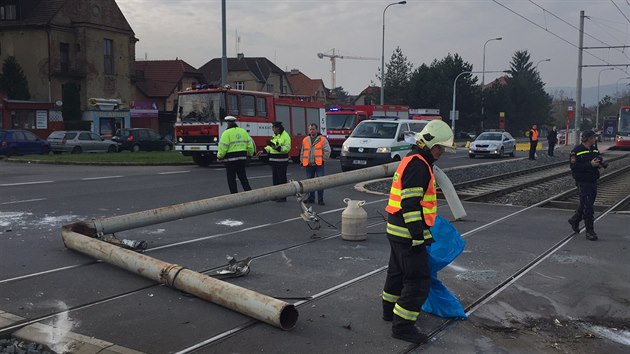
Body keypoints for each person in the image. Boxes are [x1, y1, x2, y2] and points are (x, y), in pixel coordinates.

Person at [381, 120, 455, 344]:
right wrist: (417, 236)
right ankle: (402, 326)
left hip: (396, 228)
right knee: (418, 280)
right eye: (440, 148)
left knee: (396, 273)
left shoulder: (413, 159)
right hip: (407, 232)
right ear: (431, 144)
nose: (441, 153)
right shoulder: (418, 165)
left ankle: (389, 312)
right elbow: (411, 204)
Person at [568, 130, 603, 241]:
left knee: (586, 203)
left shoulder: (594, 149)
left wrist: (599, 162)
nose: (595, 139)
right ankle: (589, 231)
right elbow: (574, 167)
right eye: (593, 137)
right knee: (588, 207)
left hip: (593, 179)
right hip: (583, 181)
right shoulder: (576, 151)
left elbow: (598, 157)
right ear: (588, 139)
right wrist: (589, 164)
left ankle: (575, 219)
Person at [216, 116, 254, 194]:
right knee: (243, 177)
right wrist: (250, 155)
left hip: (231, 160)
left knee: (231, 179)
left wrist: (219, 157)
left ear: (228, 123)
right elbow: (250, 145)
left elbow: (223, 147)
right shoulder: (243, 131)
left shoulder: (226, 133)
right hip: (242, 158)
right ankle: (249, 194)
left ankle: (234, 195)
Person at [258, 121, 291, 202]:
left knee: (282, 180)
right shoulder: (275, 136)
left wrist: (278, 148)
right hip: (274, 161)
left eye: (273, 127)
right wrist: (264, 150)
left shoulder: (285, 136)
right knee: (275, 179)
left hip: (281, 161)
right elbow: (270, 146)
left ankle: (283, 197)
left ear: (277, 128)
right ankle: (276, 195)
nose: (272, 129)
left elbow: (287, 148)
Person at [300, 123, 331, 205]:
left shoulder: (322, 139)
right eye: (310, 129)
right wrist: (302, 162)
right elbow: (303, 152)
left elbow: (327, 151)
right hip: (309, 165)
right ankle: (311, 198)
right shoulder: (305, 139)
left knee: (320, 183)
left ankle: (320, 199)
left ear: (316, 130)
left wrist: (323, 160)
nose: (312, 131)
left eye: (313, 129)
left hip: (319, 165)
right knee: (310, 183)